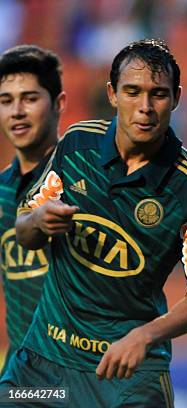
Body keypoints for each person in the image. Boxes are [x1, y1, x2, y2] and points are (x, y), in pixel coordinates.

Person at [1, 39, 187, 407]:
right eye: (132, 92)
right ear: (112, 94)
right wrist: (38, 219)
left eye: (159, 94)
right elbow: (23, 231)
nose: (145, 108)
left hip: (126, 379)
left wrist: (145, 336)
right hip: (45, 367)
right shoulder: (76, 146)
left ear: (177, 98)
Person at [0, 45, 65, 375]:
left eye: (29, 98)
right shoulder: (1, 193)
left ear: (58, 104)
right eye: (6, 101)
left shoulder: (89, 181)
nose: (17, 112)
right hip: (24, 379)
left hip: (86, 378)